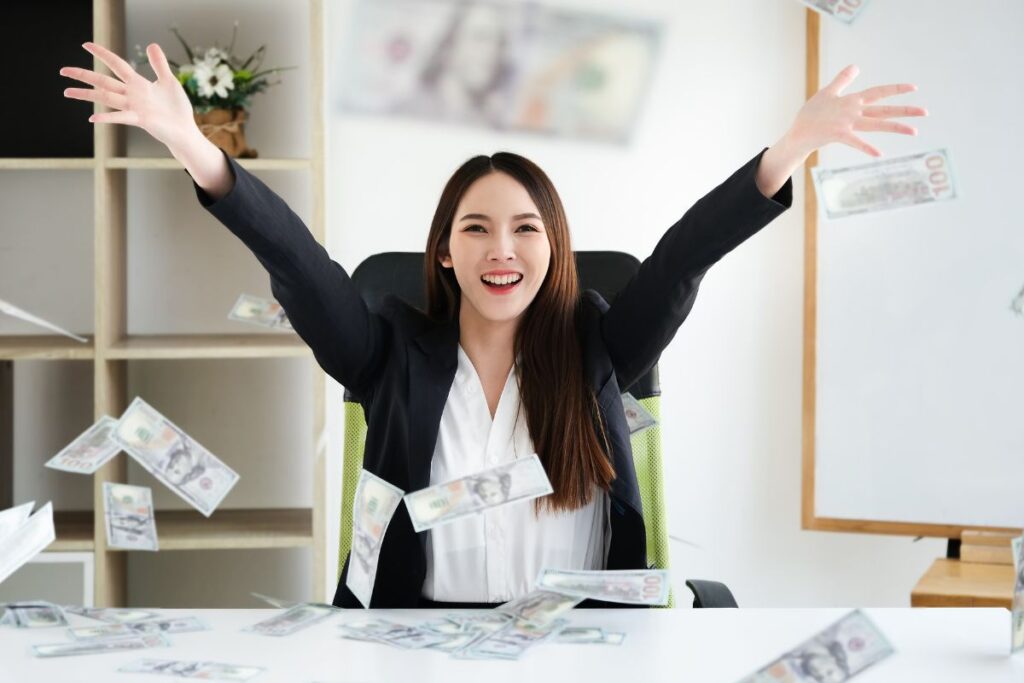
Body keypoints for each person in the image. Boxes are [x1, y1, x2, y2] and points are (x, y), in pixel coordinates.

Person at [61, 41, 926, 609]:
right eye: (475, 228)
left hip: (586, 648)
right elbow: (303, 267)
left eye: (524, 227)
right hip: (420, 648)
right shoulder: (386, 352)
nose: (500, 249)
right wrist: (195, 147)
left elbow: (680, 259)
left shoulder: (602, 345)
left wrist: (787, 151)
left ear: (555, 247)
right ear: (442, 251)